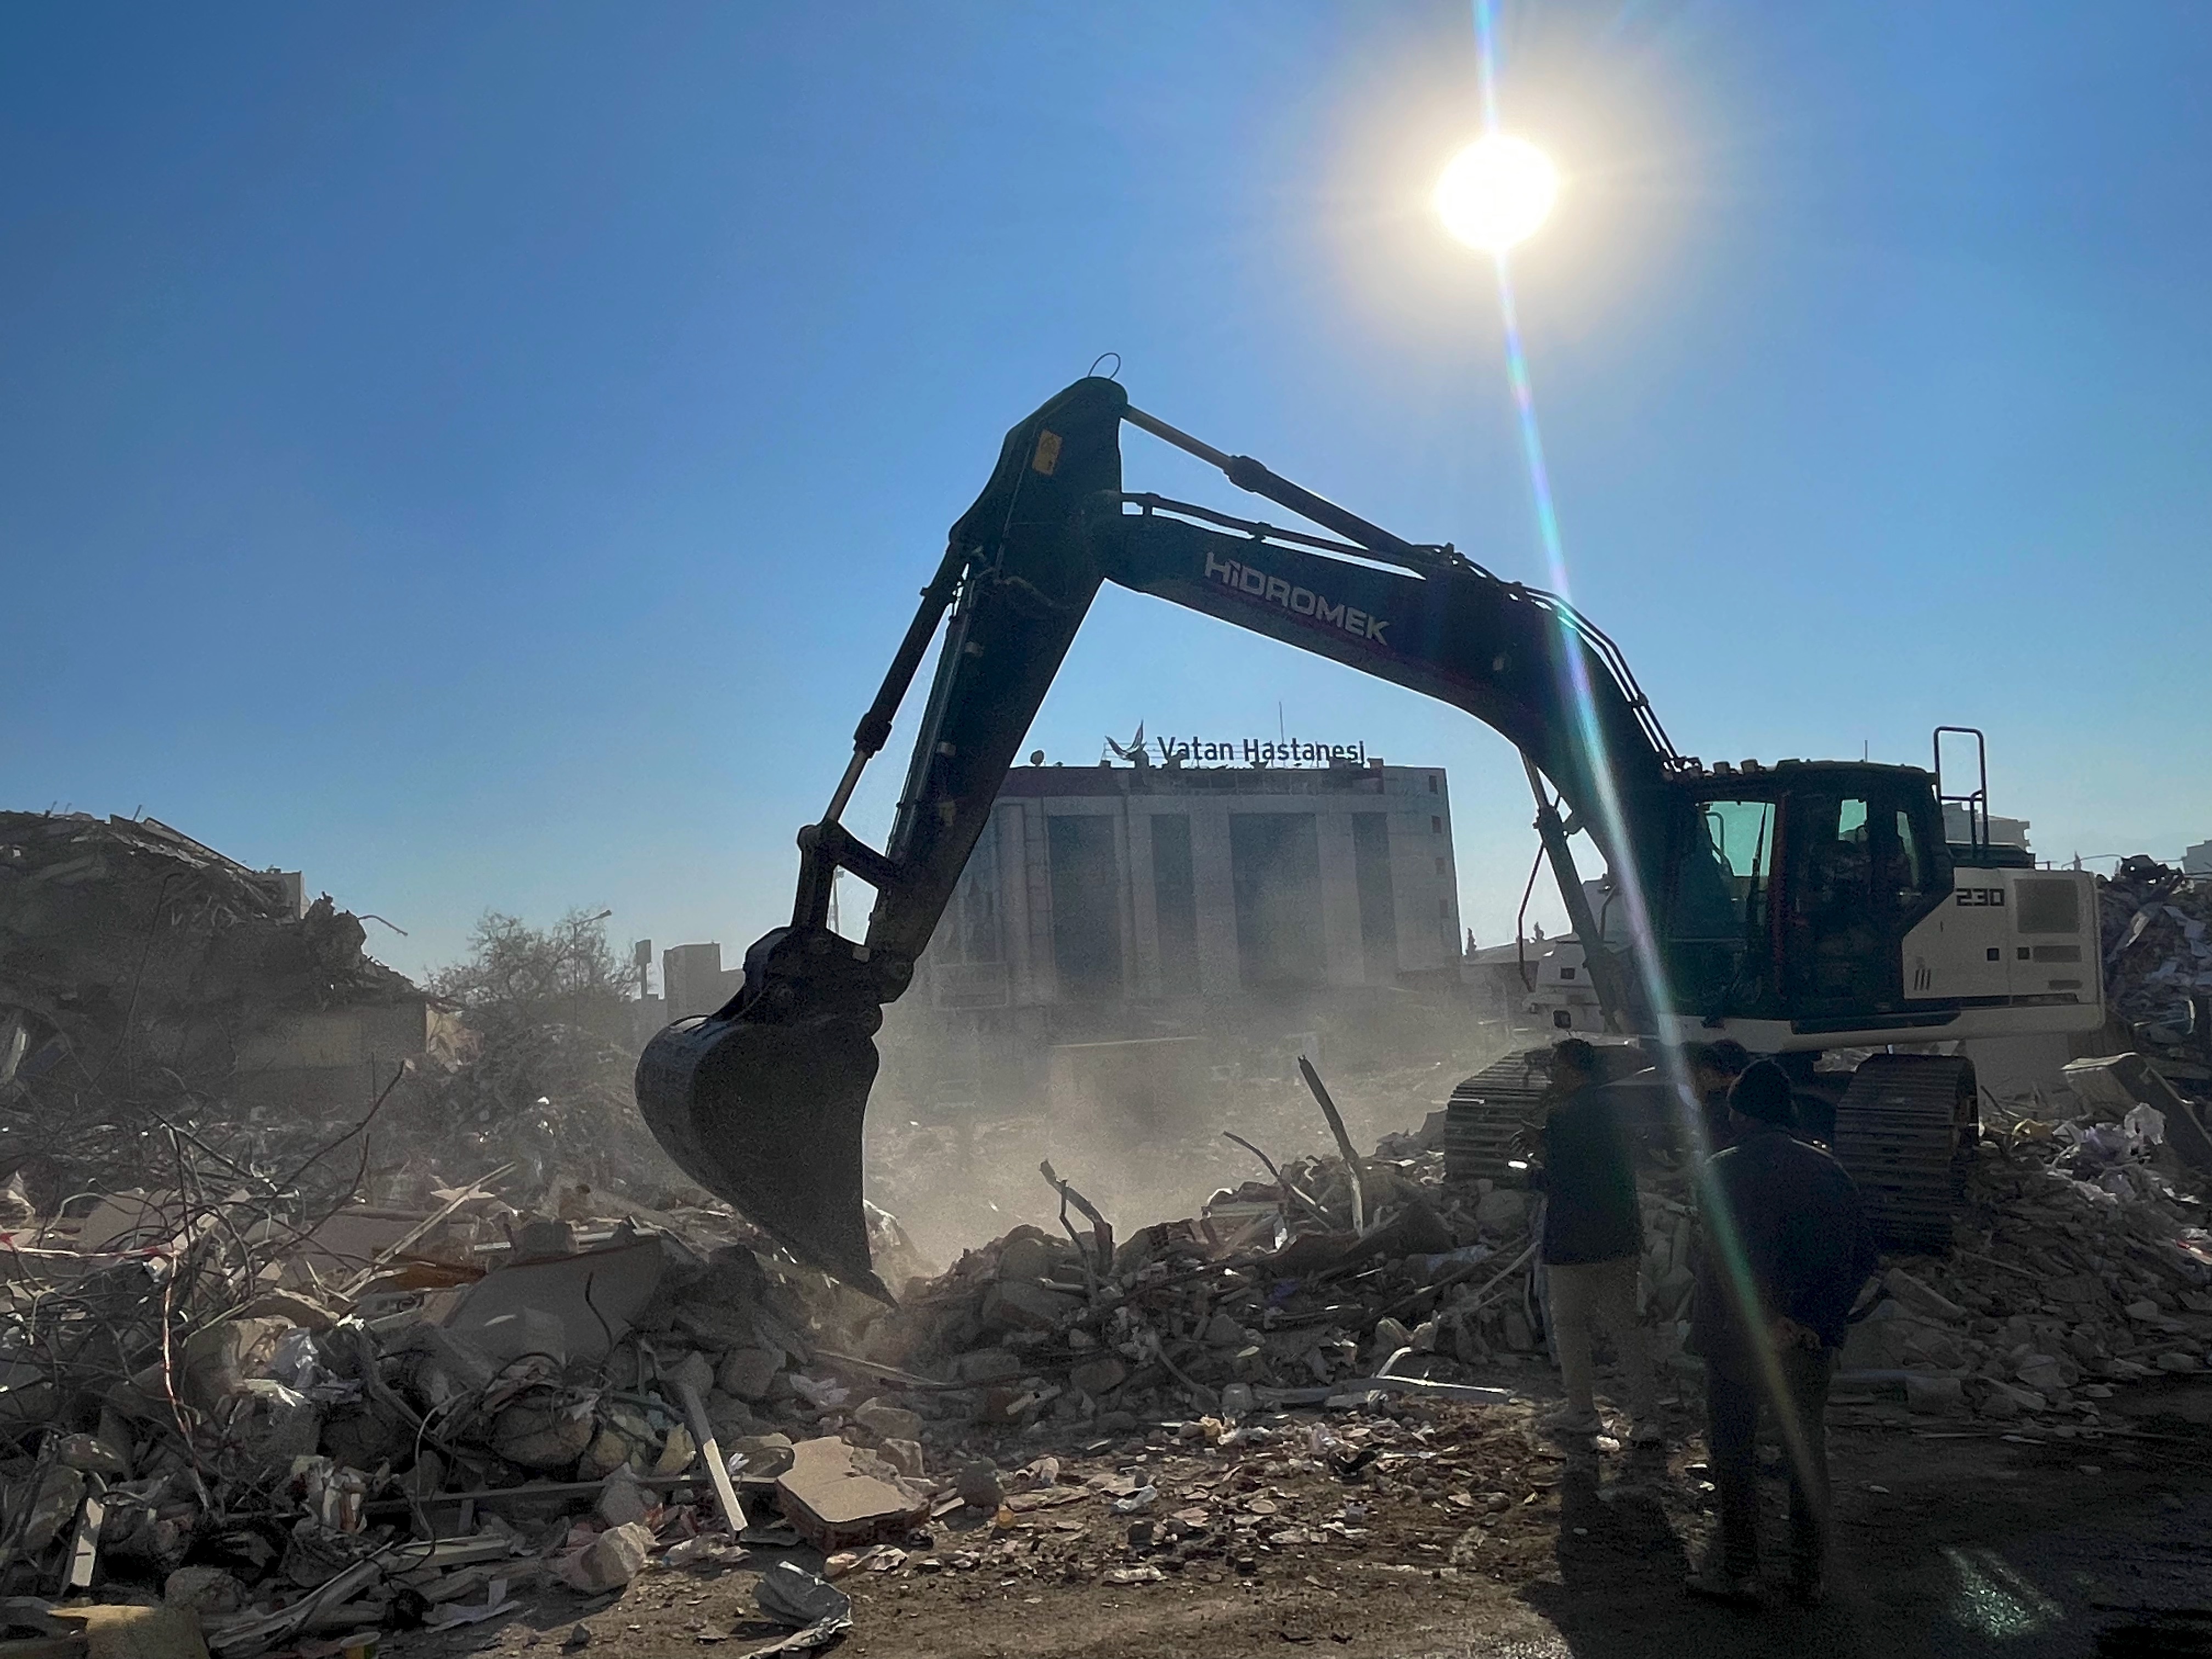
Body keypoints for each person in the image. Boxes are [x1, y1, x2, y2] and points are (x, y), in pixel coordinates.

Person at [1685, 1060, 1878, 1606]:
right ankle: (1808, 1575)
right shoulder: (1829, 1171)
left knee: (1734, 1451)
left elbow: (1728, 1260)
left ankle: (1739, 1570)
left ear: (1739, 1115)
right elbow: (1860, 1257)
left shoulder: (1720, 1170)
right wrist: (1809, 1322)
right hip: (1808, 1344)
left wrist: (1764, 1319)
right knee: (1804, 1452)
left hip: (1736, 1340)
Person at [1521, 1038, 1661, 1443]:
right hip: (1620, 1235)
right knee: (1625, 1328)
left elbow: (1561, 1178)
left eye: (1557, 1069)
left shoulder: (1563, 1116)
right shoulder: (1617, 1108)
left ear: (1570, 1069)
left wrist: (1530, 1170)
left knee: (1569, 1325)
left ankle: (1582, 1410)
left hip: (1574, 1240)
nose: (1553, 1077)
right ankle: (1646, 1418)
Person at [1685, 1040, 1750, 1154]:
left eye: (1689, 1079)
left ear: (1707, 1075)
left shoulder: (1721, 1114)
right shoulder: (1755, 1105)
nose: (1690, 1087)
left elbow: (1717, 1161)